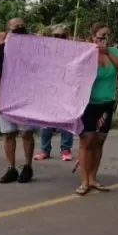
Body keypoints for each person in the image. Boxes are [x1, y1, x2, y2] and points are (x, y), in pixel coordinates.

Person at [76, 23, 118, 195]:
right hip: (88, 103)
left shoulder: (114, 52)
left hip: (107, 102)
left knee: (99, 141)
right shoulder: (86, 52)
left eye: (107, 35)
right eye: (101, 35)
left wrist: (107, 52)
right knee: (87, 141)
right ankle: (84, 181)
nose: (104, 38)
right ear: (93, 36)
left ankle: (93, 178)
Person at [0, 17, 38, 184]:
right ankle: (11, 168)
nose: (18, 29)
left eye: (21, 26)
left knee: (26, 133)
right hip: (6, 97)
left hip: (25, 98)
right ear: (8, 30)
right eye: (15, 27)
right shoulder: (1, 50)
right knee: (8, 134)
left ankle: (27, 167)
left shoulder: (33, 49)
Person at [34, 24, 74, 161]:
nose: (59, 38)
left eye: (62, 36)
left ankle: (66, 149)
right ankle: (44, 150)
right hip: (49, 92)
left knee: (66, 122)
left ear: (66, 37)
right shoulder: (46, 52)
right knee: (46, 123)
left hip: (66, 91)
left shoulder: (73, 51)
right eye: (56, 36)